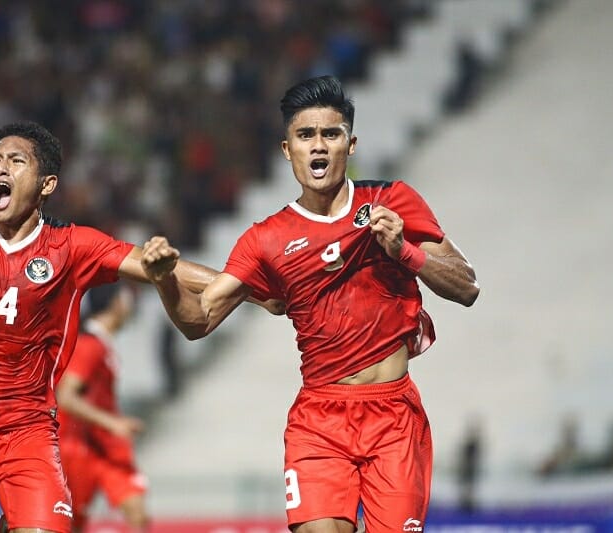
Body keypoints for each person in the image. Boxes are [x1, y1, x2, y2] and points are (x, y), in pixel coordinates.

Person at [141, 75, 479, 532]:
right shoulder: (265, 239)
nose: (318, 145)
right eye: (305, 135)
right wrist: (165, 281)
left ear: (350, 144)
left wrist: (404, 251)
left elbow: (466, 287)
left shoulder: (391, 201)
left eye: (330, 134)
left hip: (394, 417)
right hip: (320, 420)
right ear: (287, 149)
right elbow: (197, 321)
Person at [0, 121, 233, 533]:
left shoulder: (71, 246)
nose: (0, 168)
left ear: (46, 184)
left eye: (16, 161)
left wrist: (245, 286)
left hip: (25, 432)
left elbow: (152, 264)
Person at [56, 282, 149, 532]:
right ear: (116, 304)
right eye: (127, 299)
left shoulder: (100, 344)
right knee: (71, 523)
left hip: (105, 447)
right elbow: (66, 396)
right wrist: (112, 422)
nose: (131, 306)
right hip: (78, 445)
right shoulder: (89, 345)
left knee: (137, 513)